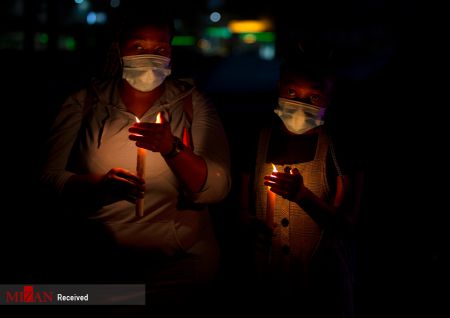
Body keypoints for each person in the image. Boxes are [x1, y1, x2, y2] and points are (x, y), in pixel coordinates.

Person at [40, 1, 231, 308]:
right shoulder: (85, 103)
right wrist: (97, 185)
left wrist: (172, 149)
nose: (149, 56)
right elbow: (47, 179)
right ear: (119, 50)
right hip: (101, 269)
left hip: (181, 269)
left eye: (160, 48)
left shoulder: (192, 104)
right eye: (138, 46)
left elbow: (217, 187)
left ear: (171, 52)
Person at [240, 47, 364, 316]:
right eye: (292, 93)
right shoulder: (259, 142)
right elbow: (243, 210)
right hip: (267, 286)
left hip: (323, 292)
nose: (300, 104)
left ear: (331, 99)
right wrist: (250, 225)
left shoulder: (338, 149)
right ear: (278, 87)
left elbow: (350, 225)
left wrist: (303, 197)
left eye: (314, 97)